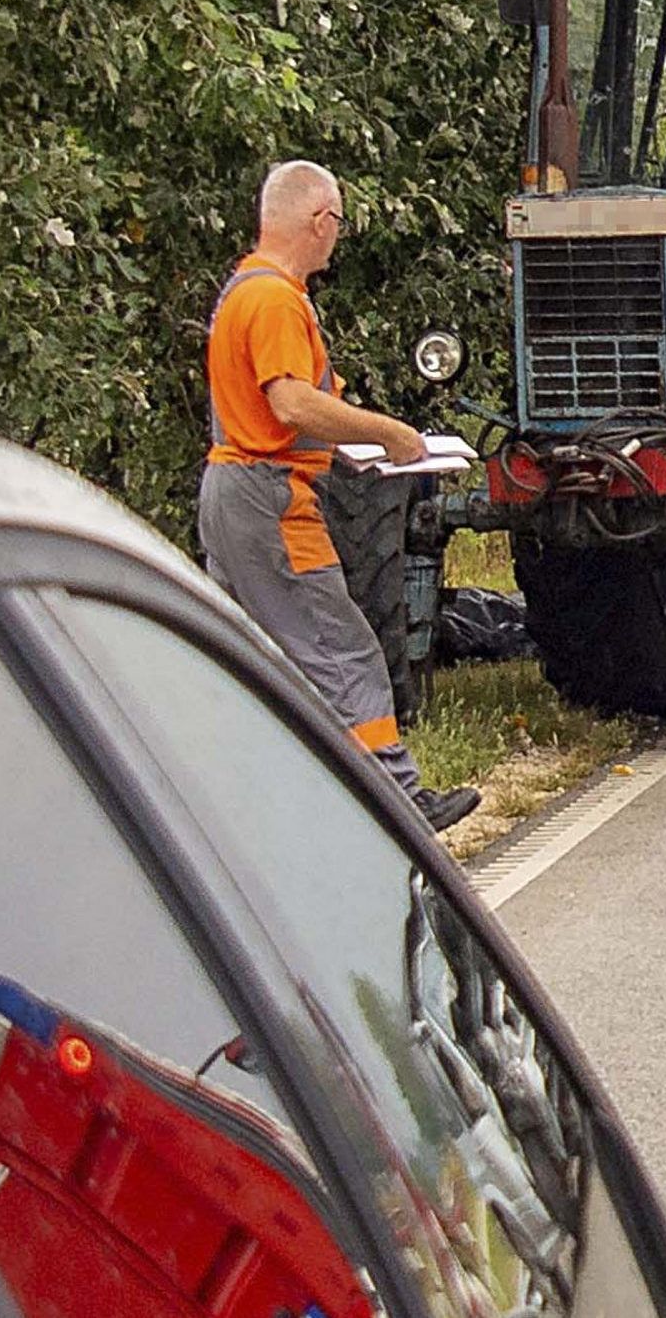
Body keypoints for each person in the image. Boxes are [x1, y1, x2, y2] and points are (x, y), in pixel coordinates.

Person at [205, 160, 480, 831]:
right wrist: (387, 433)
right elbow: (292, 402)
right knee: (341, 647)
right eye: (337, 221)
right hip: (269, 498)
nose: (337, 236)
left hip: (235, 494)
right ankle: (395, 800)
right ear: (315, 220)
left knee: (253, 654)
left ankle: (242, 804)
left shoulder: (243, 289)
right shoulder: (272, 298)